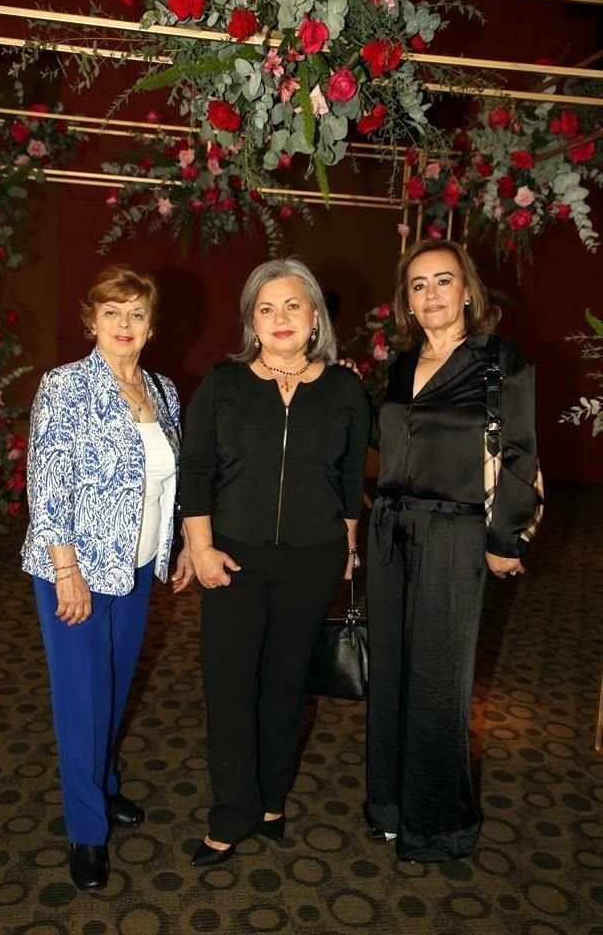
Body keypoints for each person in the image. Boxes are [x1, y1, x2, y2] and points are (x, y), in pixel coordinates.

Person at [172, 258, 371, 867]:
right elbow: (197, 470)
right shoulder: (223, 383)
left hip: (313, 559)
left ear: (315, 317)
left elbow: (348, 477)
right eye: (266, 307)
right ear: (251, 321)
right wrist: (200, 547)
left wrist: (350, 548)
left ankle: (271, 801)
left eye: (292, 305)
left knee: (286, 686)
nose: (279, 318)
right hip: (232, 556)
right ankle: (232, 811)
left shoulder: (344, 389)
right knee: (230, 687)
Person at [366, 239, 540, 862]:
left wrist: (504, 537)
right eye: (418, 285)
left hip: (456, 533)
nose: (431, 294)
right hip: (391, 528)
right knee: (389, 673)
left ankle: (437, 823)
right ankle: (388, 804)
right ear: (406, 301)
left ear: (468, 291)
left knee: (439, 679)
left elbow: (519, 451)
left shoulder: (502, 361)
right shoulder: (398, 366)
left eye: (444, 281)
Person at [21, 264, 185, 891]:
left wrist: (175, 548)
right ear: (91, 320)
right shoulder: (65, 387)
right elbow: (49, 482)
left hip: (137, 565)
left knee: (114, 690)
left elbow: (169, 479)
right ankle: (87, 831)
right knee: (81, 698)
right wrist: (66, 569)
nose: (124, 324)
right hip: (76, 569)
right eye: (111, 312)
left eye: (137, 313)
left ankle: (103, 783)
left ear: (150, 326)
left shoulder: (165, 391)